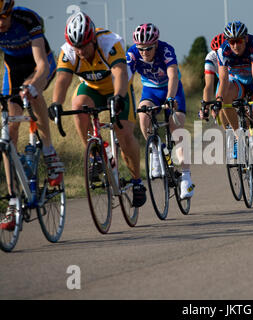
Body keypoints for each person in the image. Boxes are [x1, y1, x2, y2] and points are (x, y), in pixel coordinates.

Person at [49, 11, 146, 207]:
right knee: (77, 106)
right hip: (91, 88)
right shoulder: (69, 51)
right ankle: (95, 155)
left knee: (124, 133)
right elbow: (62, 79)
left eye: (84, 46)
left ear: (92, 39)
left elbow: (119, 72)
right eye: (77, 47)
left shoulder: (109, 42)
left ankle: (137, 182)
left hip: (117, 87)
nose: (81, 51)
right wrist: (56, 104)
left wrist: (118, 97)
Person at [0, 0, 64, 230]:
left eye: (2, 18)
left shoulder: (27, 19)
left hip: (40, 65)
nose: (0, 24)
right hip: (13, 69)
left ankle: (48, 150)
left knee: (34, 94)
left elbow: (41, 65)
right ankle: (13, 199)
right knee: (8, 130)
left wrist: (31, 85)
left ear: (9, 13)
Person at [127, 23, 194, 199]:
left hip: (172, 90)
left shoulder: (166, 50)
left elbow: (173, 75)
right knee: (143, 116)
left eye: (148, 48)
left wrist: (171, 99)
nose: (144, 52)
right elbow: (126, 77)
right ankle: (155, 152)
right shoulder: (132, 53)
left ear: (156, 44)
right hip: (151, 90)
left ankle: (186, 177)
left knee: (176, 127)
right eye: (141, 48)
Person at [216, 21, 253, 195]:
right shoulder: (223, 50)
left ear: (245, 38)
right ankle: (237, 136)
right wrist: (218, 100)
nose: (235, 45)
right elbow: (223, 78)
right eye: (232, 41)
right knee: (226, 96)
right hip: (239, 82)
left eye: (239, 41)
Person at [199, 33, 226, 125]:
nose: (220, 55)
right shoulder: (211, 57)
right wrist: (205, 107)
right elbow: (209, 85)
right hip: (223, 82)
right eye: (217, 52)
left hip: (239, 80)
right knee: (219, 108)